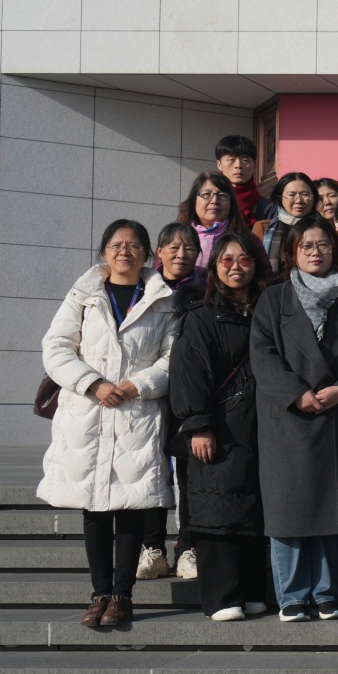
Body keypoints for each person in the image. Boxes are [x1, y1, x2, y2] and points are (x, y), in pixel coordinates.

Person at [41, 219, 179, 630]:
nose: (125, 251)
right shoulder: (83, 296)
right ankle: (99, 593)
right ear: (104, 252)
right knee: (95, 509)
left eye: (134, 245)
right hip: (89, 413)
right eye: (117, 244)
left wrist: (139, 384)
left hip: (136, 414)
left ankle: (122, 596)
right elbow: (56, 347)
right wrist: (93, 383)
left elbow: (173, 358)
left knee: (131, 506)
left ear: (147, 254)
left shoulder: (163, 300)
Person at [251, 216, 338, 622]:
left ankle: (326, 592)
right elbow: (262, 354)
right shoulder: (274, 299)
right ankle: (291, 595)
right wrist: (296, 393)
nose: (315, 252)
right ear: (292, 252)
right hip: (288, 419)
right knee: (288, 512)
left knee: (331, 511)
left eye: (323, 244)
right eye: (306, 245)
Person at [168, 231, 272, 621]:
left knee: (253, 508)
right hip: (218, 427)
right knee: (218, 507)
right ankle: (222, 596)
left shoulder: (267, 312)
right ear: (214, 267)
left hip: (261, 426)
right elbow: (188, 372)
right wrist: (198, 424)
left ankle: (252, 590)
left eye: (244, 259)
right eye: (227, 259)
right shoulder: (200, 317)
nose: (236, 267)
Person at [138, 223, 201, 580]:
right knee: (151, 471)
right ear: (158, 253)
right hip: (147, 392)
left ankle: (188, 547)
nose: (181, 254)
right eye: (173, 248)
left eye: (189, 248)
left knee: (190, 474)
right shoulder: (143, 290)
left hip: (188, 394)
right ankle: (153, 549)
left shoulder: (205, 292)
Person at [179, 171, 235, 282]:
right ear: (194, 200)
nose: (214, 201)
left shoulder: (247, 239)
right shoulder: (175, 237)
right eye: (206, 194)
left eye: (222, 195)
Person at [259, 172, 317, 271]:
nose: (299, 201)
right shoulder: (263, 228)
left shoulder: (324, 228)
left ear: (313, 197)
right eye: (292, 195)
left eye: (305, 194)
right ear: (280, 198)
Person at [215, 134, 261, 226]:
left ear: (254, 166)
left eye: (245, 160)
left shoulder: (267, 207)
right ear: (219, 165)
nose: (238, 165)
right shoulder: (209, 202)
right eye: (231, 159)